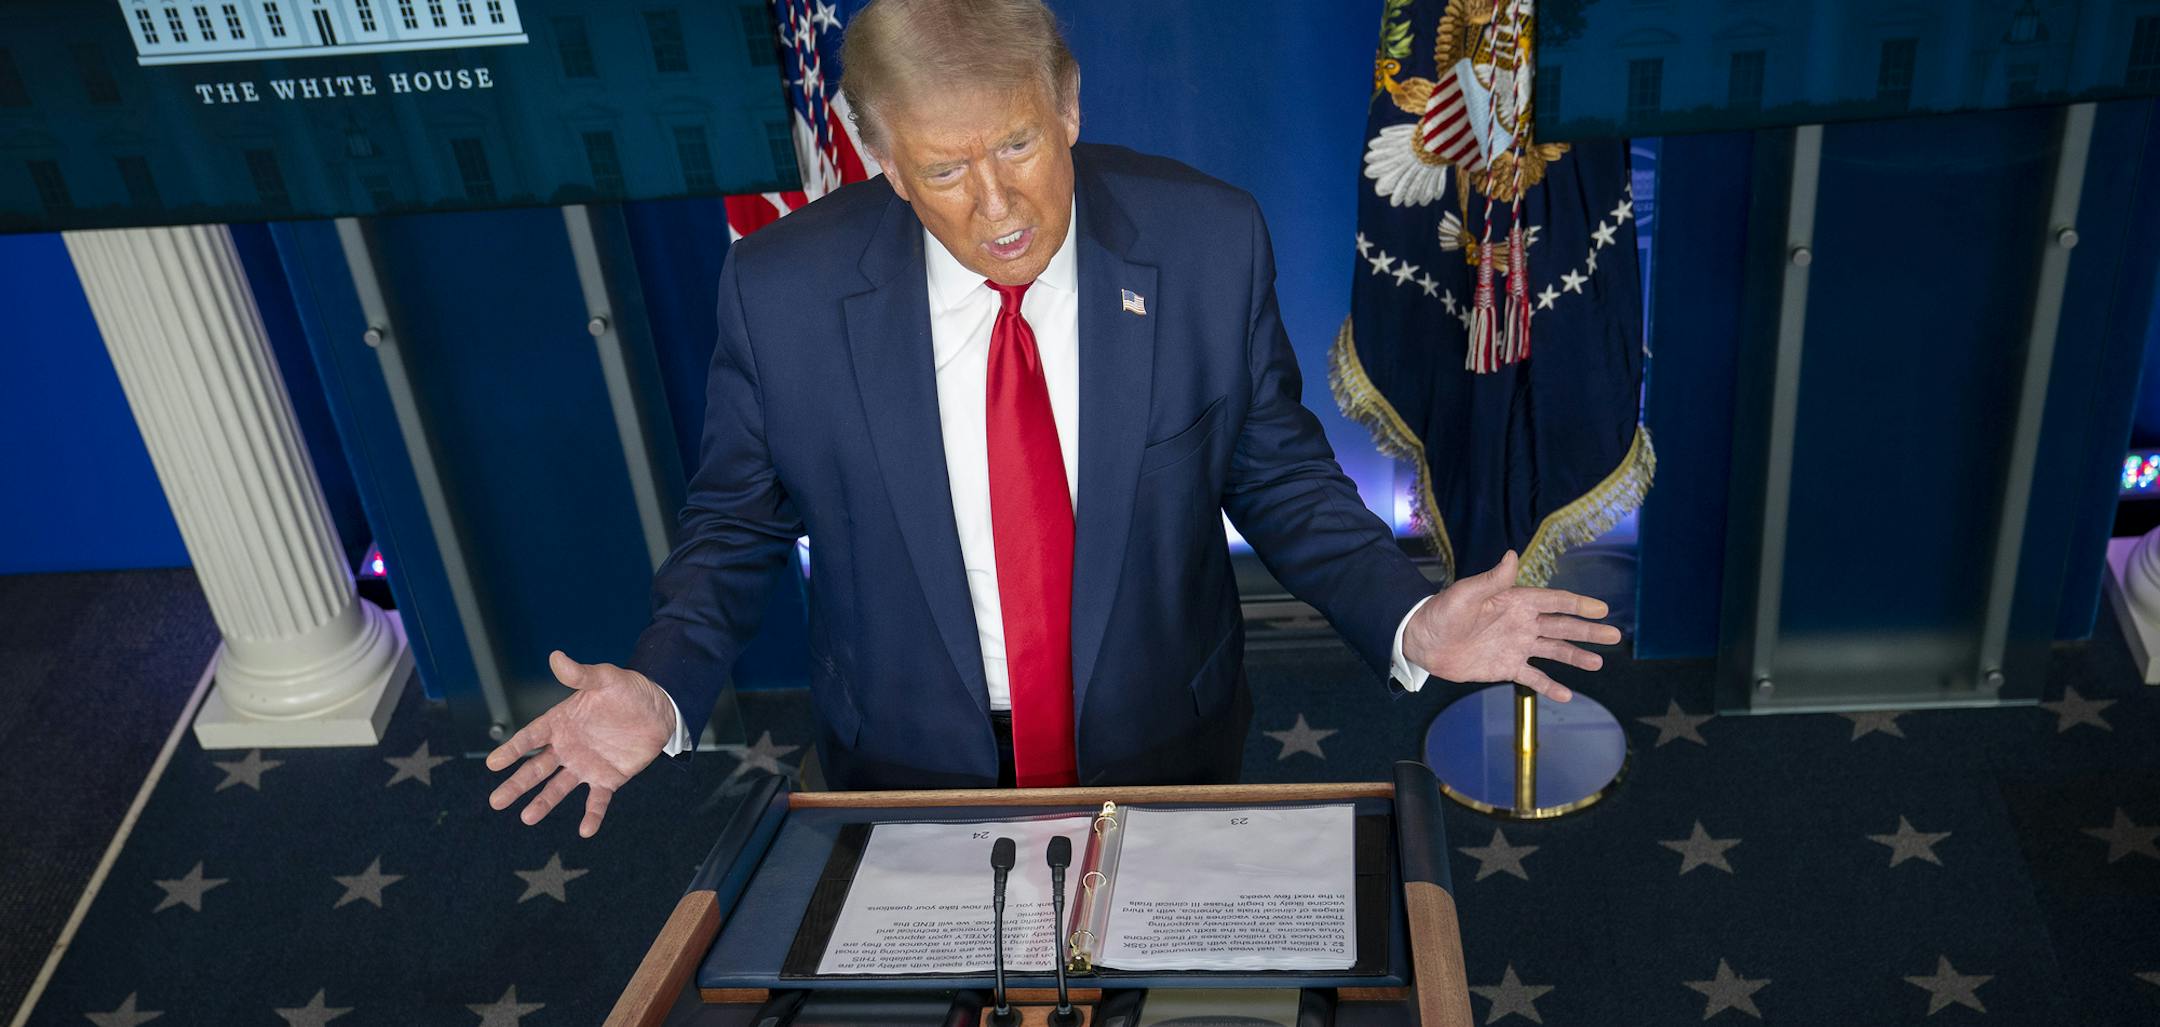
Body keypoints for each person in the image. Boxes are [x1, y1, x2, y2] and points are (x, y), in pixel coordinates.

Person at [486, 0, 1619, 837]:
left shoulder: (1206, 243)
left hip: (1165, 746)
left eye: (1019, 146)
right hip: (905, 760)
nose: (995, 207)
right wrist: (665, 681)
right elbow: (735, 522)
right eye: (942, 169)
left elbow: (1276, 476)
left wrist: (1413, 621)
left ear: (1068, 103)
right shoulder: (781, 294)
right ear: (880, 162)